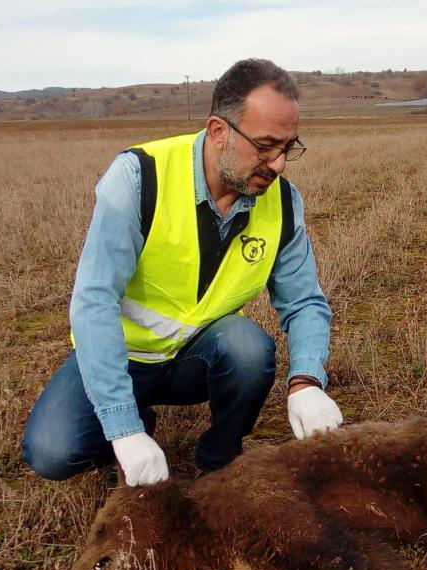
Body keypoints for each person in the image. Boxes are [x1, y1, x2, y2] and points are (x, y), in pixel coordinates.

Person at [21, 59, 342, 486]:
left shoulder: (281, 202)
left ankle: (221, 460)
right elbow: (94, 302)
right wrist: (124, 429)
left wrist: (306, 382)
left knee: (248, 349)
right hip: (124, 357)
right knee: (52, 453)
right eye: (265, 146)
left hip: (195, 358)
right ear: (218, 131)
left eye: (289, 147)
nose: (279, 163)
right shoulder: (140, 177)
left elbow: (304, 301)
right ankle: (133, 421)